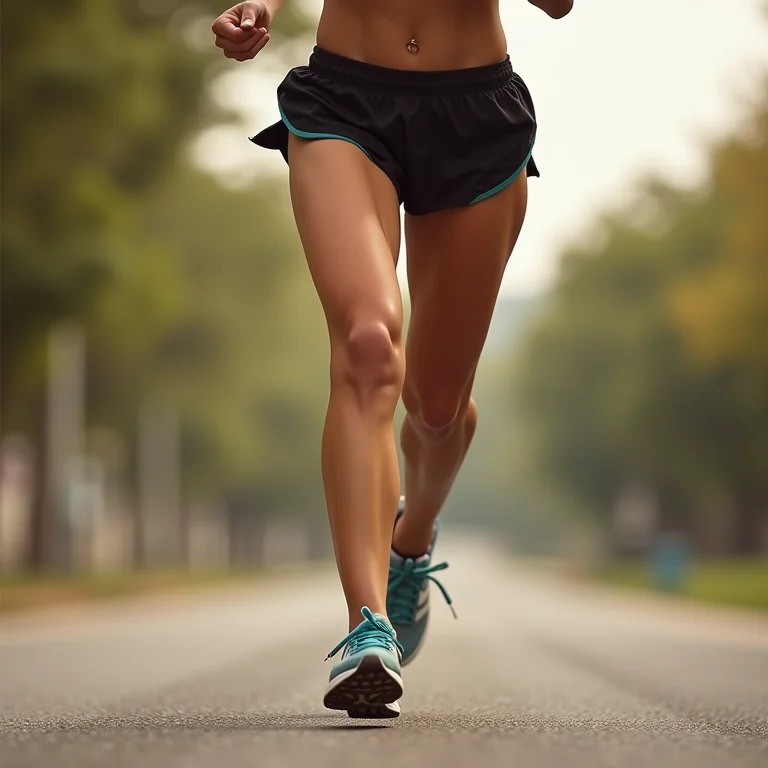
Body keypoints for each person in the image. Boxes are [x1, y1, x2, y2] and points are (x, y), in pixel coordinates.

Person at [212, 0, 574, 718]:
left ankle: (410, 541)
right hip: (346, 100)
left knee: (437, 409)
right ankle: (366, 624)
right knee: (370, 344)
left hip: (475, 112)